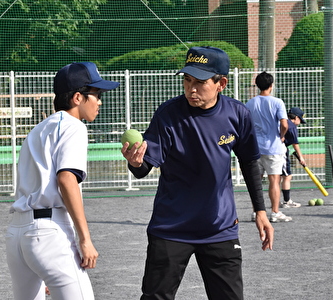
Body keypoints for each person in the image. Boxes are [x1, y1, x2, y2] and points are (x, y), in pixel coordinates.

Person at [121, 46, 274, 300]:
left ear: (221, 83)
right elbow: (144, 166)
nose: (191, 88)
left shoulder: (237, 114)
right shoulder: (168, 114)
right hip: (171, 228)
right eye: (187, 80)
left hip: (220, 228)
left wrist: (260, 210)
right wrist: (135, 162)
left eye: (200, 82)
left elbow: (249, 162)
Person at [5, 62, 120, 300]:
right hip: (48, 233)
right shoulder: (73, 126)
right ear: (78, 97)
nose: (99, 101)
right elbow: (66, 179)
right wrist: (85, 239)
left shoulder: (37, 130)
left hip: (17, 235)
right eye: (96, 94)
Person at [246, 71, 292, 223]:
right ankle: (275, 212)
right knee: (274, 181)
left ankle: (256, 212)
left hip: (255, 148)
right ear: (271, 86)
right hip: (273, 147)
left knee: (256, 182)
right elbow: (284, 124)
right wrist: (281, 135)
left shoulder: (250, 103)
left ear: (257, 85)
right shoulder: (277, 102)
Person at [280, 107, 306, 208]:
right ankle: (287, 201)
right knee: (287, 176)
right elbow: (295, 144)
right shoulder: (291, 126)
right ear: (296, 117)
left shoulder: (281, 122)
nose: (299, 122)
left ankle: (277, 201)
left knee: (276, 177)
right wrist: (301, 158)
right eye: (300, 119)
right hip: (281, 151)